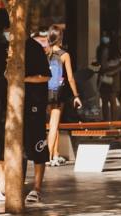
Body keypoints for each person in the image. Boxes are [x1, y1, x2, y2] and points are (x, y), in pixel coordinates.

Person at [0, 33, 52, 203]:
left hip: (32, 104)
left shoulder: (34, 48)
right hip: (9, 105)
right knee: (1, 146)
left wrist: (22, 79)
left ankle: (37, 188)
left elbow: (45, 76)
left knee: (36, 145)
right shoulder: (6, 48)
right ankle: (2, 187)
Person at [45, 25, 82, 167]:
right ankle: (48, 157)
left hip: (46, 92)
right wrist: (76, 95)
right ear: (60, 38)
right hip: (58, 93)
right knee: (54, 125)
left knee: (53, 124)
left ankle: (56, 154)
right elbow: (71, 78)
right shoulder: (64, 55)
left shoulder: (45, 54)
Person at [97, 32, 121, 121]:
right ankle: (110, 123)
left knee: (108, 100)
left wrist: (113, 70)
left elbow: (103, 65)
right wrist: (115, 70)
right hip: (110, 76)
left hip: (107, 76)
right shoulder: (114, 51)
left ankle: (110, 123)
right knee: (109, 100)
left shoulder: (111, 50)